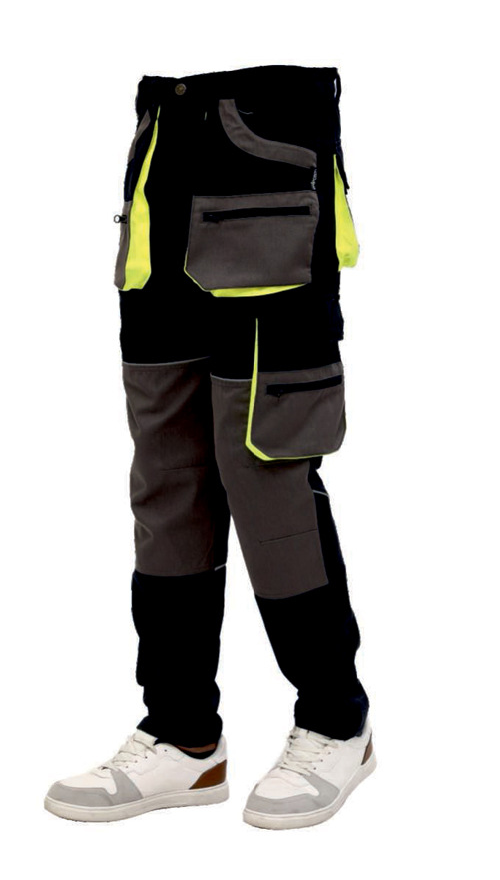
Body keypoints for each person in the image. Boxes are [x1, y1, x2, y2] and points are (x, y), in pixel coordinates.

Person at [45, 64, 374, 830]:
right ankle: (181, 732)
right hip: (164, 133)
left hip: (270, 140)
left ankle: (336, 721)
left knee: (265, 468)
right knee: (168, 472)